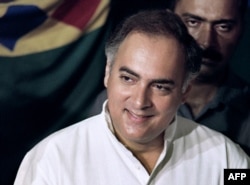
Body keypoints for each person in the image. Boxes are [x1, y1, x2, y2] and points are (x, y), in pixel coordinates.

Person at [14, 10, 249, 185]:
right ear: (107, 73)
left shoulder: (228, 161)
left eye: (160, 86)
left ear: (184, 92)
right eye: (128, 79)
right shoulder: (51, 159)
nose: (139, 102)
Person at [89, 0, 250, 156]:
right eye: (193, 22)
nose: (207, 42)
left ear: (242, 27)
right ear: (169, 21)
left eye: (223, 27)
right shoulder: (113, 103)